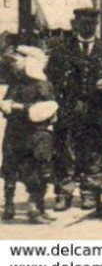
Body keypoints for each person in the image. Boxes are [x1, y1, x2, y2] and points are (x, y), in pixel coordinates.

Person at [47, 6, 102, 211]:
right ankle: (64, 193)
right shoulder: (61, 51)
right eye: (83, 23)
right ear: (75, 24)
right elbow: (50, 79)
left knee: (94, 153)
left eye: (91, 23)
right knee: (64, 151)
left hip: (98, 111)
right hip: (69, 109)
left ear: (96, 25)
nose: (87, 27)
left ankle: (90, 192)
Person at [1, 44, 58, 224]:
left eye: (17, 60)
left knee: (39, 167)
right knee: (11, 166)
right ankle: (8, 204)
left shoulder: (41, 84)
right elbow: (6, 103)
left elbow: (47, 108)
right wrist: (6, 106)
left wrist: (18, 107)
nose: (13, 64)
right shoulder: (17, 82)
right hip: (16, 130)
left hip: (37, 132)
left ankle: (36, 206)